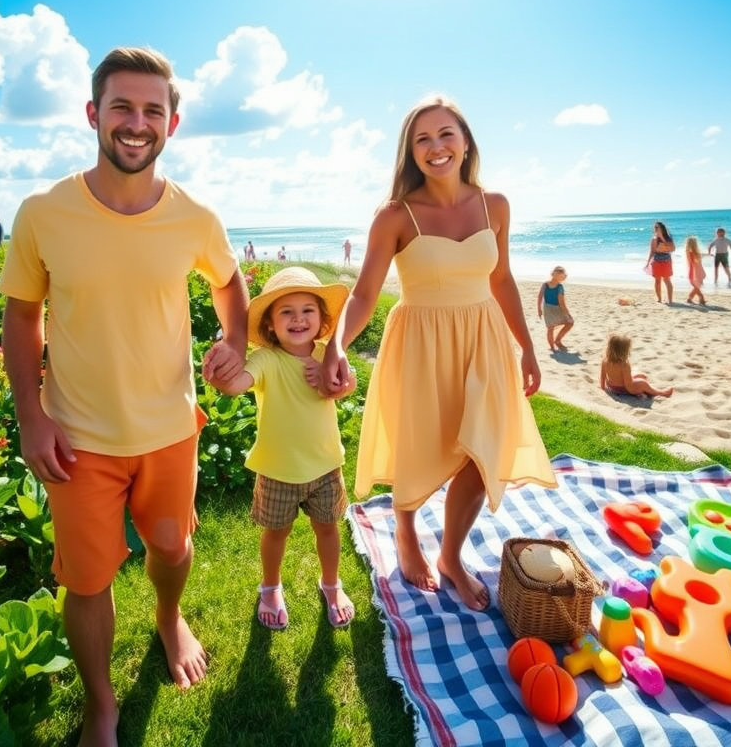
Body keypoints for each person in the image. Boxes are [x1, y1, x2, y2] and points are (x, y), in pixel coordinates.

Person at [0, 47, 248, 747]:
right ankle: (102, 703)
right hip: (77, 438)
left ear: (173, 122)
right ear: (93, 114)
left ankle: (170, 619)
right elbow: (22, 314)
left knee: (172, 546)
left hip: (170, 427)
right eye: (122, 108)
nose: (137, 124)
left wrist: (235, 339)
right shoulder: (44, 212)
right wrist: (31, 416)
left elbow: (229, 284)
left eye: (152, 111)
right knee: (87, 580)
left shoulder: (195, 217)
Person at [321, 94, 556, 608]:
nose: (436, 147)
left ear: (466, 141)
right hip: (420, 342)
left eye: (446, 134)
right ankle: (405, 529)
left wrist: (528, 348)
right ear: (410, 152)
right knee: (417, 442)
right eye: (422, 139)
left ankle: (451, 555)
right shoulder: (394, 216)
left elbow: (502, 278)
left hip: (485, 339)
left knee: (482, 449)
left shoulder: (495, 205)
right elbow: (364, 294)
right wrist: (337, 343)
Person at [205, 267, 356, 631]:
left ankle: (331, 584)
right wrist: (221, 378)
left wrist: (338, 386)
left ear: (321, 320)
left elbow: (347, 384)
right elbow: (240, 382)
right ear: (271, 324)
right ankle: (270, 586)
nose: (298, 318)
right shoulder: (266, 360)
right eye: (286, 311)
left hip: (325, 465)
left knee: (328, 528)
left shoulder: (327, 353)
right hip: (277, 470)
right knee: (276, 533)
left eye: (308, 310)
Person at [599, 334, 674, 398]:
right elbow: (629, 385)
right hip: (623, 389)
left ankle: (644, 388)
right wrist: (636, 391)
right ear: (624, 352)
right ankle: (661, 393)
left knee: (640, 376)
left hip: (612, 387)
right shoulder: (624, 364)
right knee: (643, 383)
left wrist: (603, 389)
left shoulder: (605, 361)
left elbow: (602, 377)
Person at [536, 266, 574, 351]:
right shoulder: (560, 287)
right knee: (570, 323)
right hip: (557, 308)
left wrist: (539, 308)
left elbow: (540, 297)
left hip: (547, 308)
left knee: (550, 328)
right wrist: (568, 314)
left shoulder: (545, 284)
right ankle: (557, 341)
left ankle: (552, 347)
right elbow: (562, 303)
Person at [645, 221, 676, 305]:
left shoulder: (669, 237)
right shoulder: (654, 238)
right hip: (656, 261)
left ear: (662, 228)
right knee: (657, 281)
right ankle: (659, 299)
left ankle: (670, 300)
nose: (655, 229)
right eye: (654, 227)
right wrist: (648, 262)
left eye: (657, 227)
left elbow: (672, 249)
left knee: (667, 280)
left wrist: (661, 237)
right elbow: (652, 251)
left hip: (666, 261)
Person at [684, 236, 707, 306]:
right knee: (697, 286)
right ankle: (700, 298)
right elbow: (696, 259)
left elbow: (698, 256)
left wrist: (707, 254)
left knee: (697, 287)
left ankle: (693, 299)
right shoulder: (691, 253)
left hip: (694, 272)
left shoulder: (690, 252)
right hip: (695, 272)